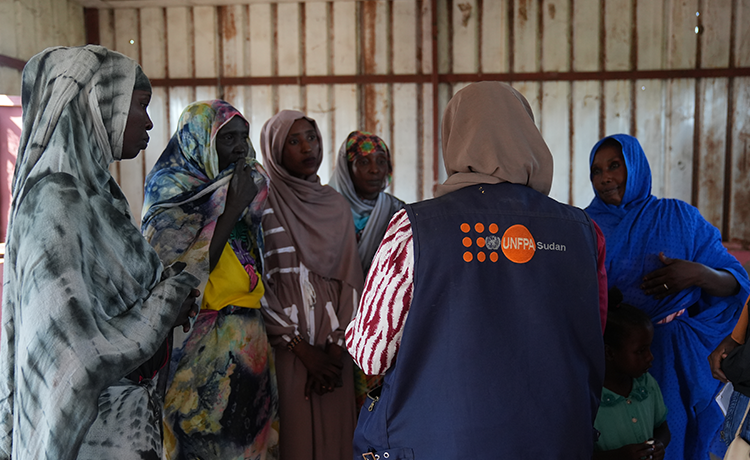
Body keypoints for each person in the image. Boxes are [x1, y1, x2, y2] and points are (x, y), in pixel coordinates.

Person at [346, 81, 607, 458]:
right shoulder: (584, 232)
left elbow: (371, 353)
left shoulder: (414, 227)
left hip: (437, 441)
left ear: (455, 137)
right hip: (555, 438)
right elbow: (591, 335)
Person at [0, 45, 200, 460]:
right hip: (89, 439)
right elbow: (69, 351)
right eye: (140, 106)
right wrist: (163, 309)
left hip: (122, 425)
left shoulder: (98, 195)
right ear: (97, 102)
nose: (147, 122)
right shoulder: (57, 201)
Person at [585, 134, 750, 459]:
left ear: (636, 167)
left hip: (676, 356)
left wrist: (696, 274)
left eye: (615, 166)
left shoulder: (679, 218)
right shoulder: (584, 226)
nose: (604, 177)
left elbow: (736, 282)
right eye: (596, 170)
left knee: (675, 437)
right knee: (618, 439)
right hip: (611, 360)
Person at [140, 100, 279, 459]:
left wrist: (237, 202)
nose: (240, 146)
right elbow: (180, 277)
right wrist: (230, 207)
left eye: (243, 136)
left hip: (249, 338)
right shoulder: (171, 192)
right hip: (199, 344)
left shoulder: (243, 184)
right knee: (201, 446)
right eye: (227, 136)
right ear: (198, 140)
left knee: (250, 447)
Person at [258, 110, 364, 460]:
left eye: (312, 137)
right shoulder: (263, 204)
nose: (308, 148)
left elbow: (351, 280)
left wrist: (334, 351)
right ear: (274, 150)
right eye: (294, 140)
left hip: (336, 349)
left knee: (339, 440)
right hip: (288, 348)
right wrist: (303, 350)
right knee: (294, 441)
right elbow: (259, 281)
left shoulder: (335, 205)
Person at [328, 130, 404, 408]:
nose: (375, 170)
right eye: (363, 162)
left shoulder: (399, 214)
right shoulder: (322, 211)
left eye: (381, 161)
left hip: (380, 329)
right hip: (328, 325)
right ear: (347, 169)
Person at [594, 288, 671, 459]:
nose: (650, 357)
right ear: (609, 353)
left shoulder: (646, 384)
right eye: (640, 351)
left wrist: (660, 444)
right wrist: (618, 456)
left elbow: (662, 427)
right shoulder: (590, 398)